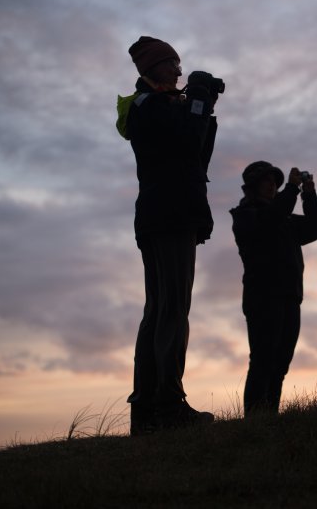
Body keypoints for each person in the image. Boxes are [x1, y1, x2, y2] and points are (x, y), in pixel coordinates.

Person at [116, 36, 221, 435]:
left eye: (179, 65)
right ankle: (168, 406)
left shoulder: (155, 106)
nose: (179, 71)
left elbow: (197, 157)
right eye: (172, 64)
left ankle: (147, 411)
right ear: (152, 68)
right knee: (172, 310)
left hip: (162, 216)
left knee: (159, 310)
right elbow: (188, 142)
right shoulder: (152, 107)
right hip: (170, 216)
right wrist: (197, 98)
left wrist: (204, 105)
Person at [230, 162, 317, 416]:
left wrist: (309, 195)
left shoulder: (283, 217)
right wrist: (292, 189)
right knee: (263, 360)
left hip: (290, 296)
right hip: (263, 298)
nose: (272, 185)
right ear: (253, 186)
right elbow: (270, 220)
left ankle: (269, 419)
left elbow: (314, 229)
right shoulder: (246, 215)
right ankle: (255, 421)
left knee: (280, 364)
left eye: (275, 181)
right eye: (266, 181)